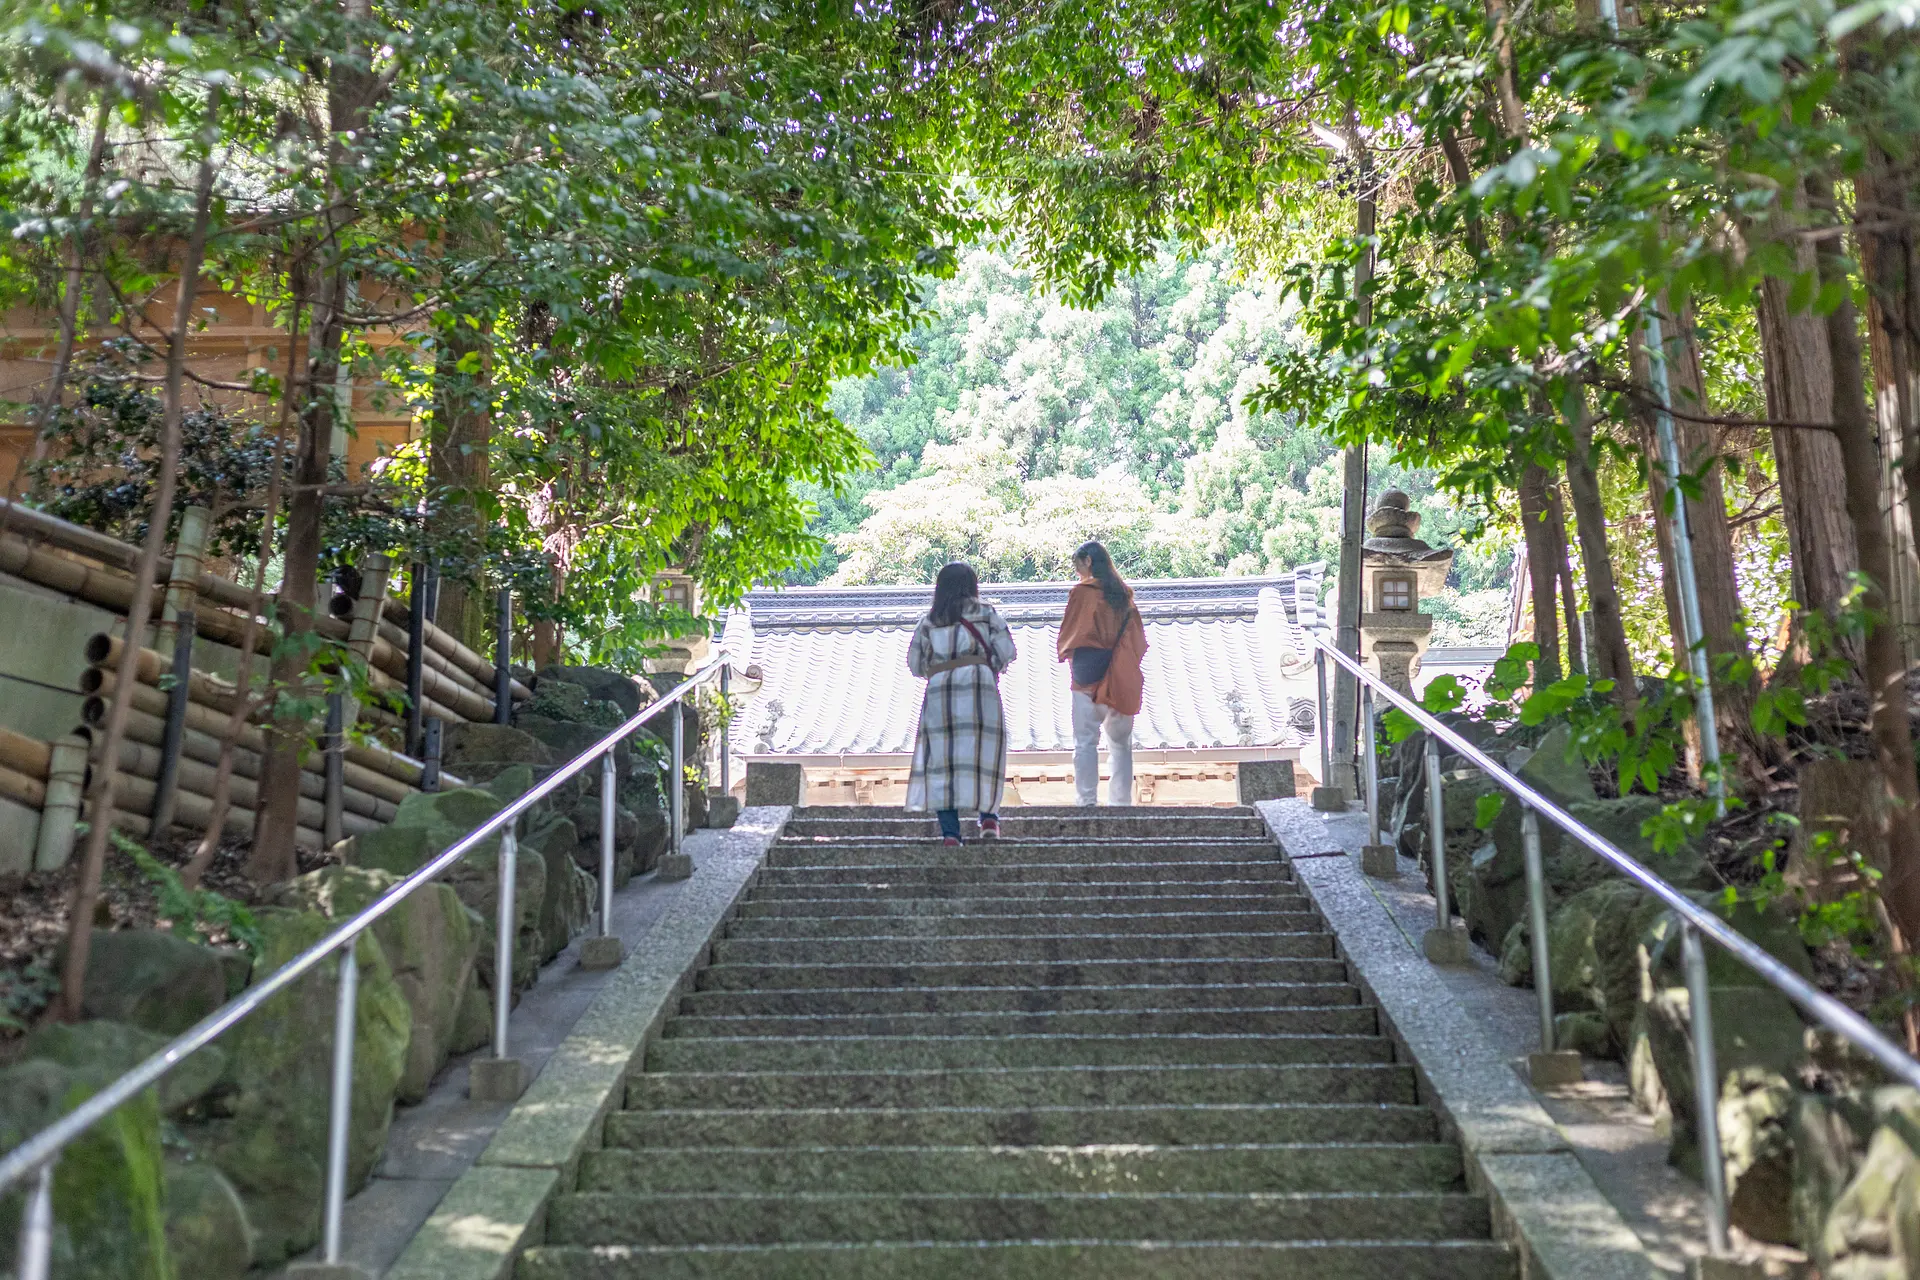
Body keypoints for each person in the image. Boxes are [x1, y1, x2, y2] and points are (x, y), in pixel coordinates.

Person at [906, 561, 1018, 846]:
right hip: (981, 686)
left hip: (941, 689)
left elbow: (915, 664)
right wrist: (988, 664)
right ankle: (988, 818)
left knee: (942, 760)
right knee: (985, 752)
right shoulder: (986, 613)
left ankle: (950, 833)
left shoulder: (929, 620)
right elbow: (1008, 651)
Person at [1056, 540, 1147, 806]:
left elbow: (1070, 635)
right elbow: (1138, 641)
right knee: (1120, 746)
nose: (1077, 572)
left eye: (1078, 566)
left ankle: (1086, 802)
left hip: (1086, 677)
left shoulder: (1082, 593)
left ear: (1088, 562)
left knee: (1085, 743)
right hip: (1119, 676)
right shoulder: (1124, 595)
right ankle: (1121, 804)